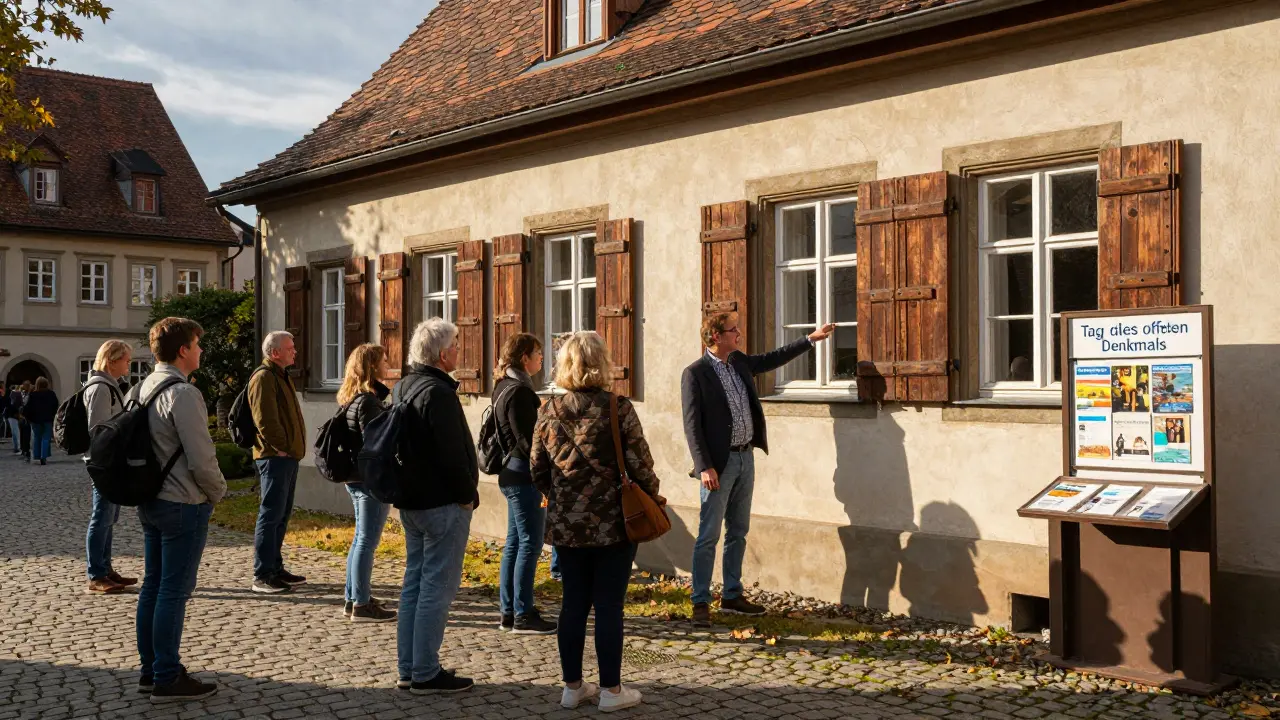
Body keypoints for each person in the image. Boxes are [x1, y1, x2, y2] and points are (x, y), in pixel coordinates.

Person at [531, 331, 658, 712]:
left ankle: (572, 687)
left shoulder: (548, 411)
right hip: (613, 522)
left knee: (572, 604)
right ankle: (611, 691)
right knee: (608, 606)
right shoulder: (618, 408)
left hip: (567, 524)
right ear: (602, 363)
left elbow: (537, 469)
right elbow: (641, 465)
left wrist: (563, 496)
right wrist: (651, 496)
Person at [681, 313, 834, 626]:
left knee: (738, 531)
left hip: (745, 458)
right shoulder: (695, 373)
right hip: (718, 466)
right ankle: (700, 602)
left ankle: (732, 595)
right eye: (733, 329)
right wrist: (704, 466)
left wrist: (809, 340)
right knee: (708, 535)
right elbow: (691, 426)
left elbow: (771, 359)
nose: (739, 333)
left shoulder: (738, 362)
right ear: (715, 336)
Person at [134, 317, 227, 703]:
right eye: (197, 344)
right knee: (173, 590)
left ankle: (151, 670)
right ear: (183, 350)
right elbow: (201, 457)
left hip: (151, 498)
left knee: (153, 586)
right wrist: (217, 492)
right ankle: (168, 677)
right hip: (182, 501)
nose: (201, 350)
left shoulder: (143, 386)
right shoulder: (184, 393)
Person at [394, 318, 479, 694]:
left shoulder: (404, 385)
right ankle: (426, 672)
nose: (459, 351)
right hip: (441, 502)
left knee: (414, 584)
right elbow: (451, 454)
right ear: (443, 355)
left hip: (412, 501)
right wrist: (466, 495)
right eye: (456, 345)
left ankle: (409, 668)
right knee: (436, 587)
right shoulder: (438, 392)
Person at [493, 332, 556, 635]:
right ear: (524, 358)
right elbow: (527, 440)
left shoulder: (504, 385)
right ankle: (522, 613)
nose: (541, 357)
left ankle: (509, 612)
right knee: (529, 543)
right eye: (537, 352)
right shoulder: (518, 391)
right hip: (523, 475)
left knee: (516, 543)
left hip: (512, 473)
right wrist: (545, 473)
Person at [336, 343, 396, 623]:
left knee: (360, 539)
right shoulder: (368, 402)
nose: (388, 365)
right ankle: (361, 603)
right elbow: (376, 443)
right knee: (366, 542)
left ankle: (353, 598)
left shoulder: (353, 398)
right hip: (369, 479)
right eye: (383, 361)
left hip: (356, 477)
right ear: (372, 366)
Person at [248, 330, 308, 594]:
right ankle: (262, 574)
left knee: (281, 514)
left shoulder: (281, 375)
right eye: (289, 347)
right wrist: (282, 447)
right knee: (270, 514)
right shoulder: (264, 377)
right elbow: (265, 420)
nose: (294, 351)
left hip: (287, 456)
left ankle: (275, 567)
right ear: (275, 353)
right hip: (274, 457)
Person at [84, 340, 136, 594]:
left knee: (109, 517)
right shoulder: (100, 388)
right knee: (101, 516)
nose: (129, 364)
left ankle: (105, 568)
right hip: (104, 462)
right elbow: (99, 429)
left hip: (112, 460)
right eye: (126, 359)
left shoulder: (110, 385)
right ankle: (96, 574)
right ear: (112, 360)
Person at [23, 377, 58, 465]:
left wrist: (29, 418)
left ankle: (37, 455)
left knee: (37, 437)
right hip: (47, 419)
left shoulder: (33, 395)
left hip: (35, 420)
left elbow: (27, 408)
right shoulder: (51, 394)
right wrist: (53, 415)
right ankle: (44, 456)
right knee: (46, 438)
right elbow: (55, 406)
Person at [17, 380, 32, 460]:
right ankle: (23, 449)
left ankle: (26, 449)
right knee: (22, 433)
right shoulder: (21, 393)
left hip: (26, 416)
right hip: (21, 415)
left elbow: (26, 404)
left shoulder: (30, 394)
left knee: (26, 433)